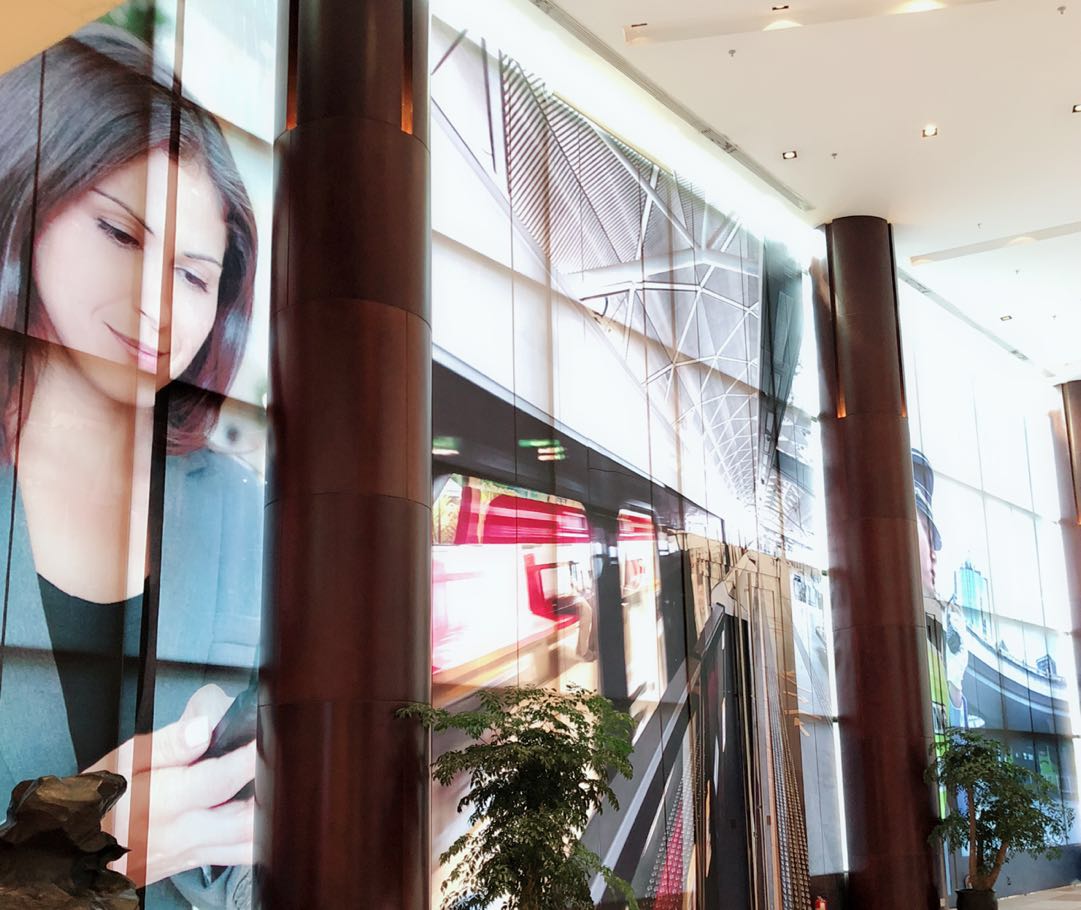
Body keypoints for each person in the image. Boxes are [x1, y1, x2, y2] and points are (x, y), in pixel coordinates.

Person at [0, 23, 261, 910]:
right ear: (27, 197)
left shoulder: (244, 512)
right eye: (119, 232)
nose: (156, 306)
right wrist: (65, 863)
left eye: (195, 276)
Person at [913, 448, 969, 729]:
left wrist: (955, 683)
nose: (934, 554)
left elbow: (949, 730)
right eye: (924, 530)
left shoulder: (936, 626)